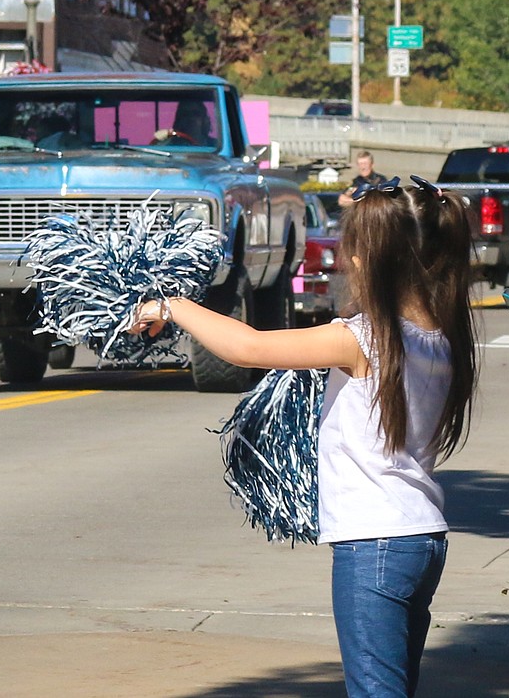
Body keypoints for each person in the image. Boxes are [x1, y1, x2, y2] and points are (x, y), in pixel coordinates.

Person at [130, 176, 477, 697]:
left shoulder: (366, 339)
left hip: (375, 544)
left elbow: (248, 347)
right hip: (421, 536)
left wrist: (171, 305)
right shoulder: (442, 335)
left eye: (353, 249)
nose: (346, 260)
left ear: (376, 260)